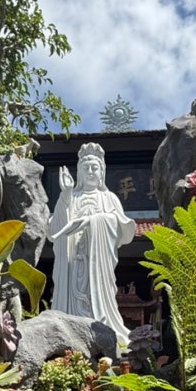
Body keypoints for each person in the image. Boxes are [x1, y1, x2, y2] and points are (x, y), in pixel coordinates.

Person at [48, 143, 134, 347]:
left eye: (95, 167)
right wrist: (65, 195)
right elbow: (55, 230)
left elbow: (120, 227)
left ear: (102, 172)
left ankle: (102, 332)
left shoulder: (109, 197)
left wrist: (93, 221)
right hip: (73, 263)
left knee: (97, 299)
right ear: (78, 172)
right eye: (85, 167)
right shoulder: (71, 197)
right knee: (73, 302)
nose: (90, 171)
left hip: (98, 264)